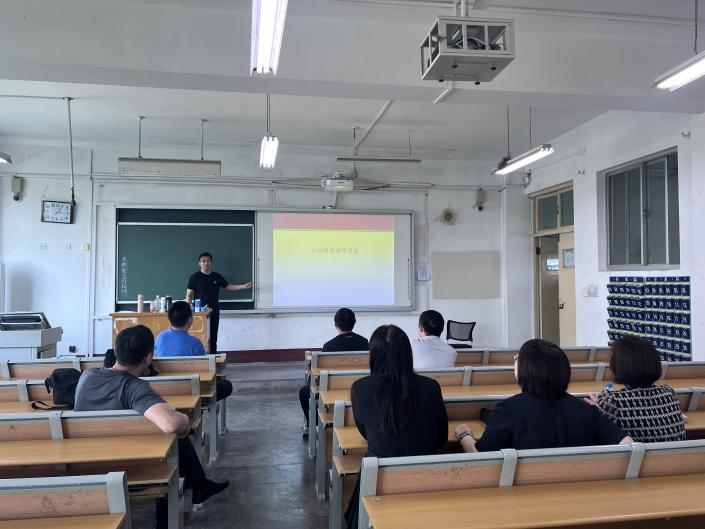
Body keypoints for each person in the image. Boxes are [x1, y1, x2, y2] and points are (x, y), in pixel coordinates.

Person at [75, 325, 228, 527]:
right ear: (148, 358)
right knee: (170, 449)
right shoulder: (134, 387)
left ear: (116, 351)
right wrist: (184, 423)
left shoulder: (87, 375)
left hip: (82, 462)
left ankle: (200, 485)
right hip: (125, 467)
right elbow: (170, 424)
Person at [344, 325, 447, 529]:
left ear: (373, 354)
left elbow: (365, 432)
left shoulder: (361, 388)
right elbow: (441, 438)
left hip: (379, 479)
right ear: (408, 353)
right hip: (429, 477)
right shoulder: (430, 386)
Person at [455, 339, 632, 453]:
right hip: (578, 492)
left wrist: (464, 436)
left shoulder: (508, 409)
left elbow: (481, 456)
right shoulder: (586, 410)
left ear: (525, 370)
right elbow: (628, 443)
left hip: (523, 495)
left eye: (518, 360)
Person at [586, 335, 686, 442]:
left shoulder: (613, 401)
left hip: (640, 454)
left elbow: (591, 429)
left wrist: (596, 410)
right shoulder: (669, 393)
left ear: (619, 367)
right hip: (680, 453)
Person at [298, 308, 368, 438]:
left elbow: (320, 375)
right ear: (354, 322)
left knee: (305, 392)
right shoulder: (365, 342)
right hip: (361, 388)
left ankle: (314, 426)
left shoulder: (329, 346)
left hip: (334, 390)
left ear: (335, 324)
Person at [155, 301, 233, 402]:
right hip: (190, 391)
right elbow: (204, 371)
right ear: (190, 320)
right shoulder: (196, 343)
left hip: (163, 391)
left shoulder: (160, 337)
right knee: (225, 385)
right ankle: (201, 406)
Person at [186, 252, 253, 354]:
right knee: (199, 334)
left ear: (211, 262)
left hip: (214, 310)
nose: (206, 263)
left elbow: (228, 286)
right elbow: (189, 294)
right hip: (199, 312)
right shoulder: (194, 277)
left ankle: (213, 355)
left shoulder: (216, 276)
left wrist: (243, 286)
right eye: (203, 261)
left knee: (213, 335)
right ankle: (198, 356)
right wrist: (189, 309)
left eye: (208, 261)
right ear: (199, 263)